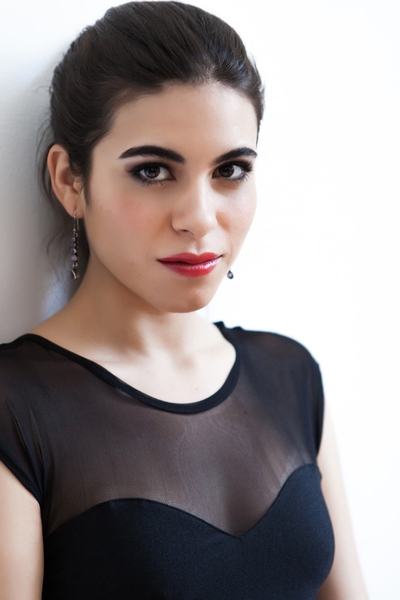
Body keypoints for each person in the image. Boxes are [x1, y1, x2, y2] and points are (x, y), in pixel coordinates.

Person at [0, 2, 367, 598]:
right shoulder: (16, 408)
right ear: (70, 180)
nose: (199, 218)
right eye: (152, 171)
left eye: (231, 170)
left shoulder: (291, 374)